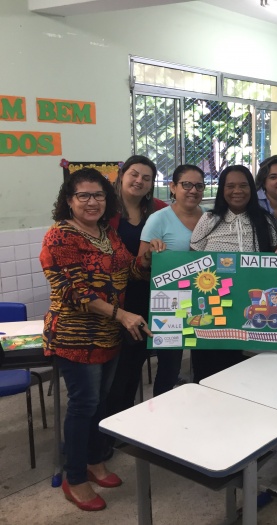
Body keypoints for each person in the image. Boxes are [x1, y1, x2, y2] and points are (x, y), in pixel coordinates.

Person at [41, 168, 153, 511]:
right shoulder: (60, 237)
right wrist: (122, 315)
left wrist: (147, 258)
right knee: (83, 404)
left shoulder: (107, 233)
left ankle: (93, 461)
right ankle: (74, 478)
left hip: (108, 335)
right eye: (84, 195)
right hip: (75, 337)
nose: (92, 202)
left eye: (99, 195)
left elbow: (128, 271)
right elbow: (75, 292)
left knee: (99, 401)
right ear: (69, 200)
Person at [189, 165, 277, 381]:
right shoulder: (208, 220)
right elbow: (192, 264)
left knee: (249, 379)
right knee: (210, 377)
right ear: (222, 190)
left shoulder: (268, 221)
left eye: (243, 186)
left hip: (254, 314)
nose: (237, 191)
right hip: (215, 311)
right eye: (230, 186)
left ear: (252, 189)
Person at [102, 155, 167, 458]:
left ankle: (122, 424)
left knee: (134, 364)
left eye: (146, 177)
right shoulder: (105, 210)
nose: (139, 181)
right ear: (122, 175)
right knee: (112, 369)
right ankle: (103, 430)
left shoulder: (158, 211)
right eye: (134, 174)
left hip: (147, 297)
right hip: (112, 300)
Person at [140, 164, 205, 395]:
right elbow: (141, 263)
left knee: (205, 365)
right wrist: (151, 253)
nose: (193, 190)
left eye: (199, 186)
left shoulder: (210, 217)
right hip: (170, 304)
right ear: (173, 187)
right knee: (169, 367)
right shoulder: (158, 219)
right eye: (186, 184)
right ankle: (161, 413)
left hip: (206, 301)